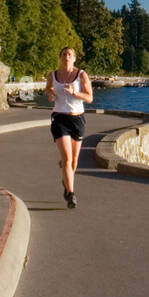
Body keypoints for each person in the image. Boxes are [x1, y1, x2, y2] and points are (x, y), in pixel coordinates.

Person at [45, 46, 92, 208]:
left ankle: (66, 182)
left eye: (70, 54)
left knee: (74, 160)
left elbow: (89, 98)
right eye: (64, 54)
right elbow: (48, 88)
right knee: (67, 158)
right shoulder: (53, 75)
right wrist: (50, 94)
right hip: (59, 119)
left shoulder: (81, 75)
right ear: (60, 57)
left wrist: (74, 93)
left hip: (77, 119)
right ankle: (71, 194)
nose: (67, 56)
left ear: (74, 58)